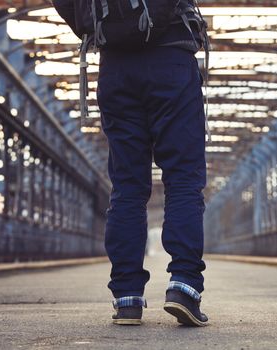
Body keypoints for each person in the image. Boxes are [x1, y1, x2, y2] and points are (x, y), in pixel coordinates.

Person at [53, 0, 209, 326]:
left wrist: (94, 25)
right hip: (171, 58)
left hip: (116, 67)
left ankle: (127, 299)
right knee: (182, 178)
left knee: (127, 186)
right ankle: (184, 286)